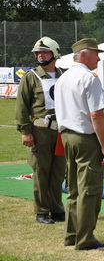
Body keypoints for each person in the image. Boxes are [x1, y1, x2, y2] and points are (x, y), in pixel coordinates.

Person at [55, 38, 104, 250]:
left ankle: (71, 234)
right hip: (85, 137)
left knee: (73, 188)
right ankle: (85, 238)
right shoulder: (89, 78)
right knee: (89, 189)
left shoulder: (64, 77)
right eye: (96, 54)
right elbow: (96, 114)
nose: (98, 58)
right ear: (84, 54)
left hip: (67, 136)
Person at [15, 37, 66, 224]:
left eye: (44, 52)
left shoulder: (64, 75)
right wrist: (25, 132)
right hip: (40, 131)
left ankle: (57, 209)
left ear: (55, 53)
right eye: (38, 53)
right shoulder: (31, 77)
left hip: (61, 131)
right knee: (41, 171)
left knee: (59, 171)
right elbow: (21, 107)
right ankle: (42, 211)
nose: (40, 55)